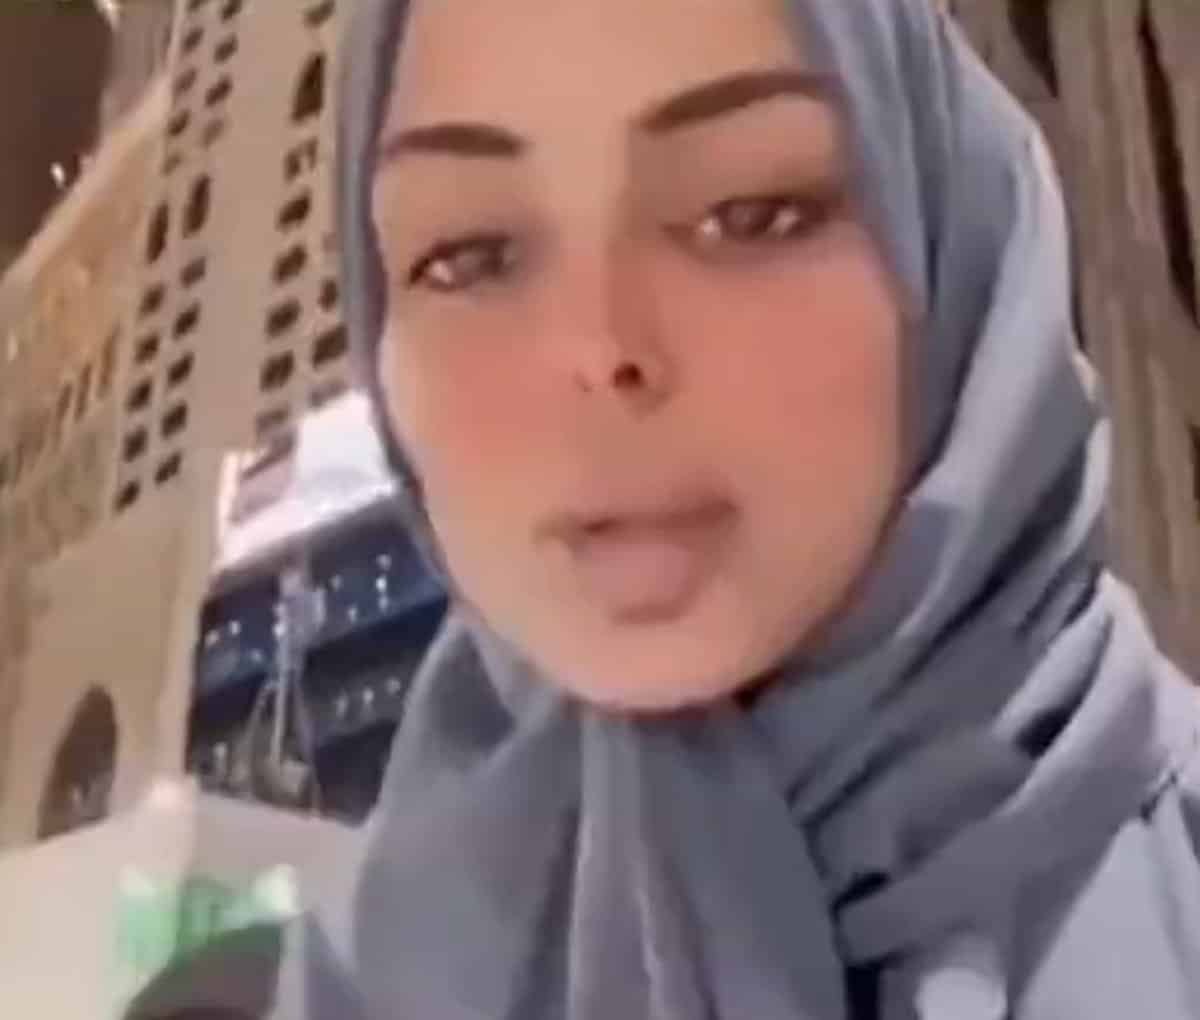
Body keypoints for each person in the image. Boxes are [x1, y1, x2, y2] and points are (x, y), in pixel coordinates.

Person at [320, 0, 1200, 1017]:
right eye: (470, 256)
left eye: (751, 213)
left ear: (954, 257)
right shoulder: (355, 968)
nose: (603, 347)